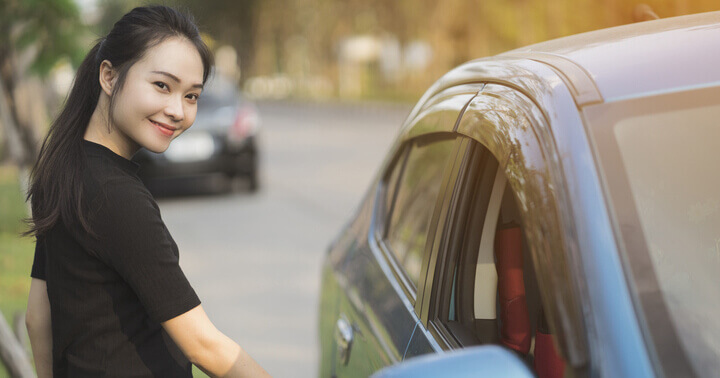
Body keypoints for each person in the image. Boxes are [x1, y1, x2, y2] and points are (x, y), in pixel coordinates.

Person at [23, 6, 270, 377]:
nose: (177, 110)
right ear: (109, 76)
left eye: (191, 96)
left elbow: (36, 316)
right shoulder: (115, 196)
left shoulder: (66, 166)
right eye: (162, 86)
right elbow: (203, 345)